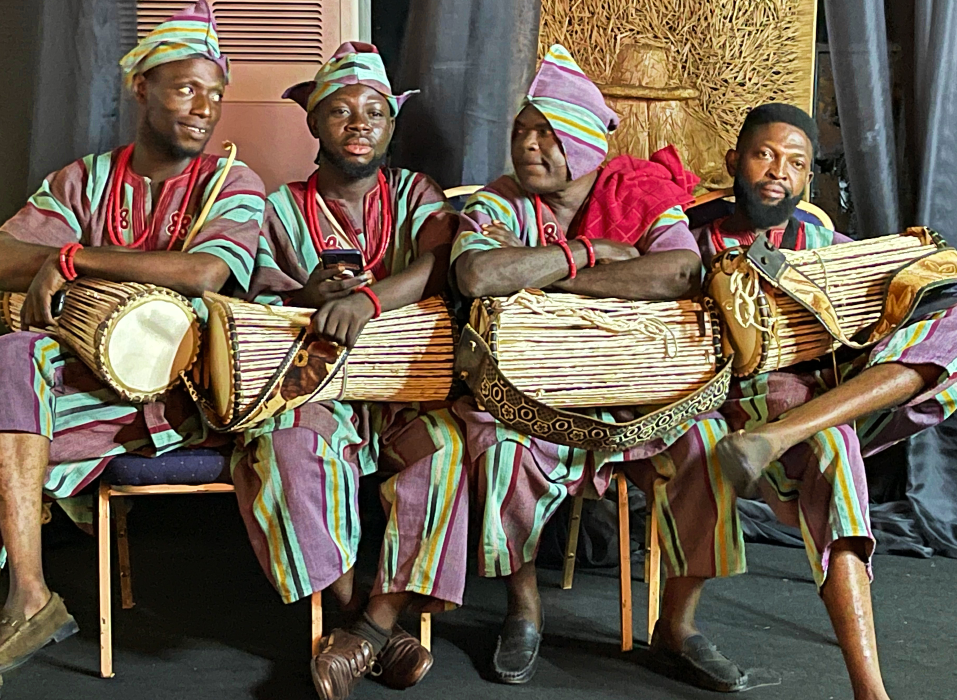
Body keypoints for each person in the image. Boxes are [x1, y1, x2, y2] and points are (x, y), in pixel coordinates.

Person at [0, 3, 265, 698]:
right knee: (5, 357)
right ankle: (28, 593)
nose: (205, 108)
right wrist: (60, 258)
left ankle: (12, 615)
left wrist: (75, 258)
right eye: (185, 88)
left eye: (215, 94)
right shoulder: (86, 180)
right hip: (78, 386)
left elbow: (205, 272)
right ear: (141, 87)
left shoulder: (233, 183)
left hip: (178, 400)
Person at [451, 45, 751, 692]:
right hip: (530, 393)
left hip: (639, 393)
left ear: (586, 144)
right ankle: (524, 608)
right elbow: (477, 273)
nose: (529, 146)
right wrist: (586, 253)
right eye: (522, 131)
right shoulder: (499, 202)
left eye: (547, 133)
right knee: (494, 442)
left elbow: (678, 269)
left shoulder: (637, 191)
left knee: (707, 445)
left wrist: (548, 278)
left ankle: (679, 623)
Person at [693, 102, 957, 700]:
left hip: (834, 397)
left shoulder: (819, 237)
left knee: (954, 327)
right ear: (734, 160)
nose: (776, 172)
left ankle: (782, 437)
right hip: (732, 402)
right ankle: (871, 693)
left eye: (795, 163)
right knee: (836, 450)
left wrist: (921, 271)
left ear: (808, 177)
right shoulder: (689, 233)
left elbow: (882, 292)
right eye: (763, 155)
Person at [234, 42, 470, 700]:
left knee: (448, 451)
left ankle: (372, 624)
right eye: (340, 110)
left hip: (406, 391)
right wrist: (307, 293)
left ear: (392, 126)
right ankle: (356, 620)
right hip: (315, 392)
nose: (359, 122)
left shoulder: (414, 193)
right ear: (313, 121)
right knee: (281, 449)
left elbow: (442, 263)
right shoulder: (279, 207)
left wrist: (367, 300)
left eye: (374, 112)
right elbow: (250, 294)